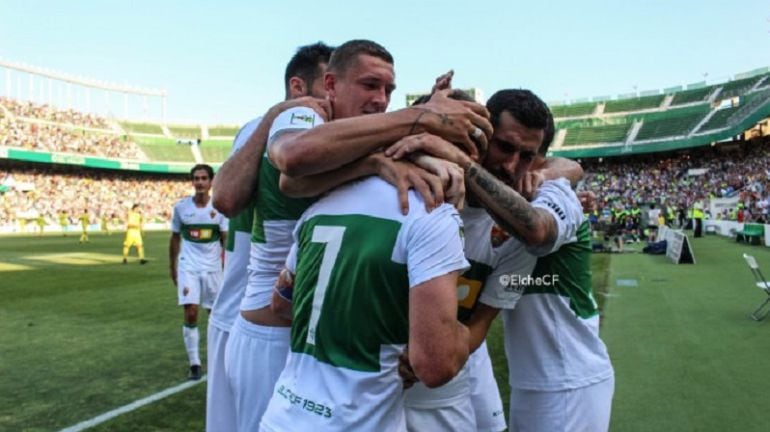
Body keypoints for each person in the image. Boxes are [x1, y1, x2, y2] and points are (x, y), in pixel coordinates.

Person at [215, 38, 488, 431]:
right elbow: (290, 167)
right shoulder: (305, 115)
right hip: (274, 327)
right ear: (328, 85)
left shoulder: (353, 135)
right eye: (369, 85)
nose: (381, 100)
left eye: (388, 91)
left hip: (311, 327)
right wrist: (419, 117)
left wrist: (410, 144)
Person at [206, 42, 334, 432]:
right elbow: (226, 198)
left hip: (270, 315)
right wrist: (273, 116)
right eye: (326, 86)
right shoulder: (267, 128)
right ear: (298, 87)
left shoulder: (314, 133)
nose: (333, 96)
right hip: (248, 316)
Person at [169, 164, 228, 380]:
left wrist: (228, 267)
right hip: (189, 266)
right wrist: (172, 266)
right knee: (191, 311)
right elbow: (175, 237)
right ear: (192, 182)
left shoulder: (220, 208)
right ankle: (194, 363)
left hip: (213, 267)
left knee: (215, 314)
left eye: (204, 178)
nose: (200, 182)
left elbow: (225, 239)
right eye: (196, 178)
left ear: (211, 181)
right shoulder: (181, 208)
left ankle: (217, 359)